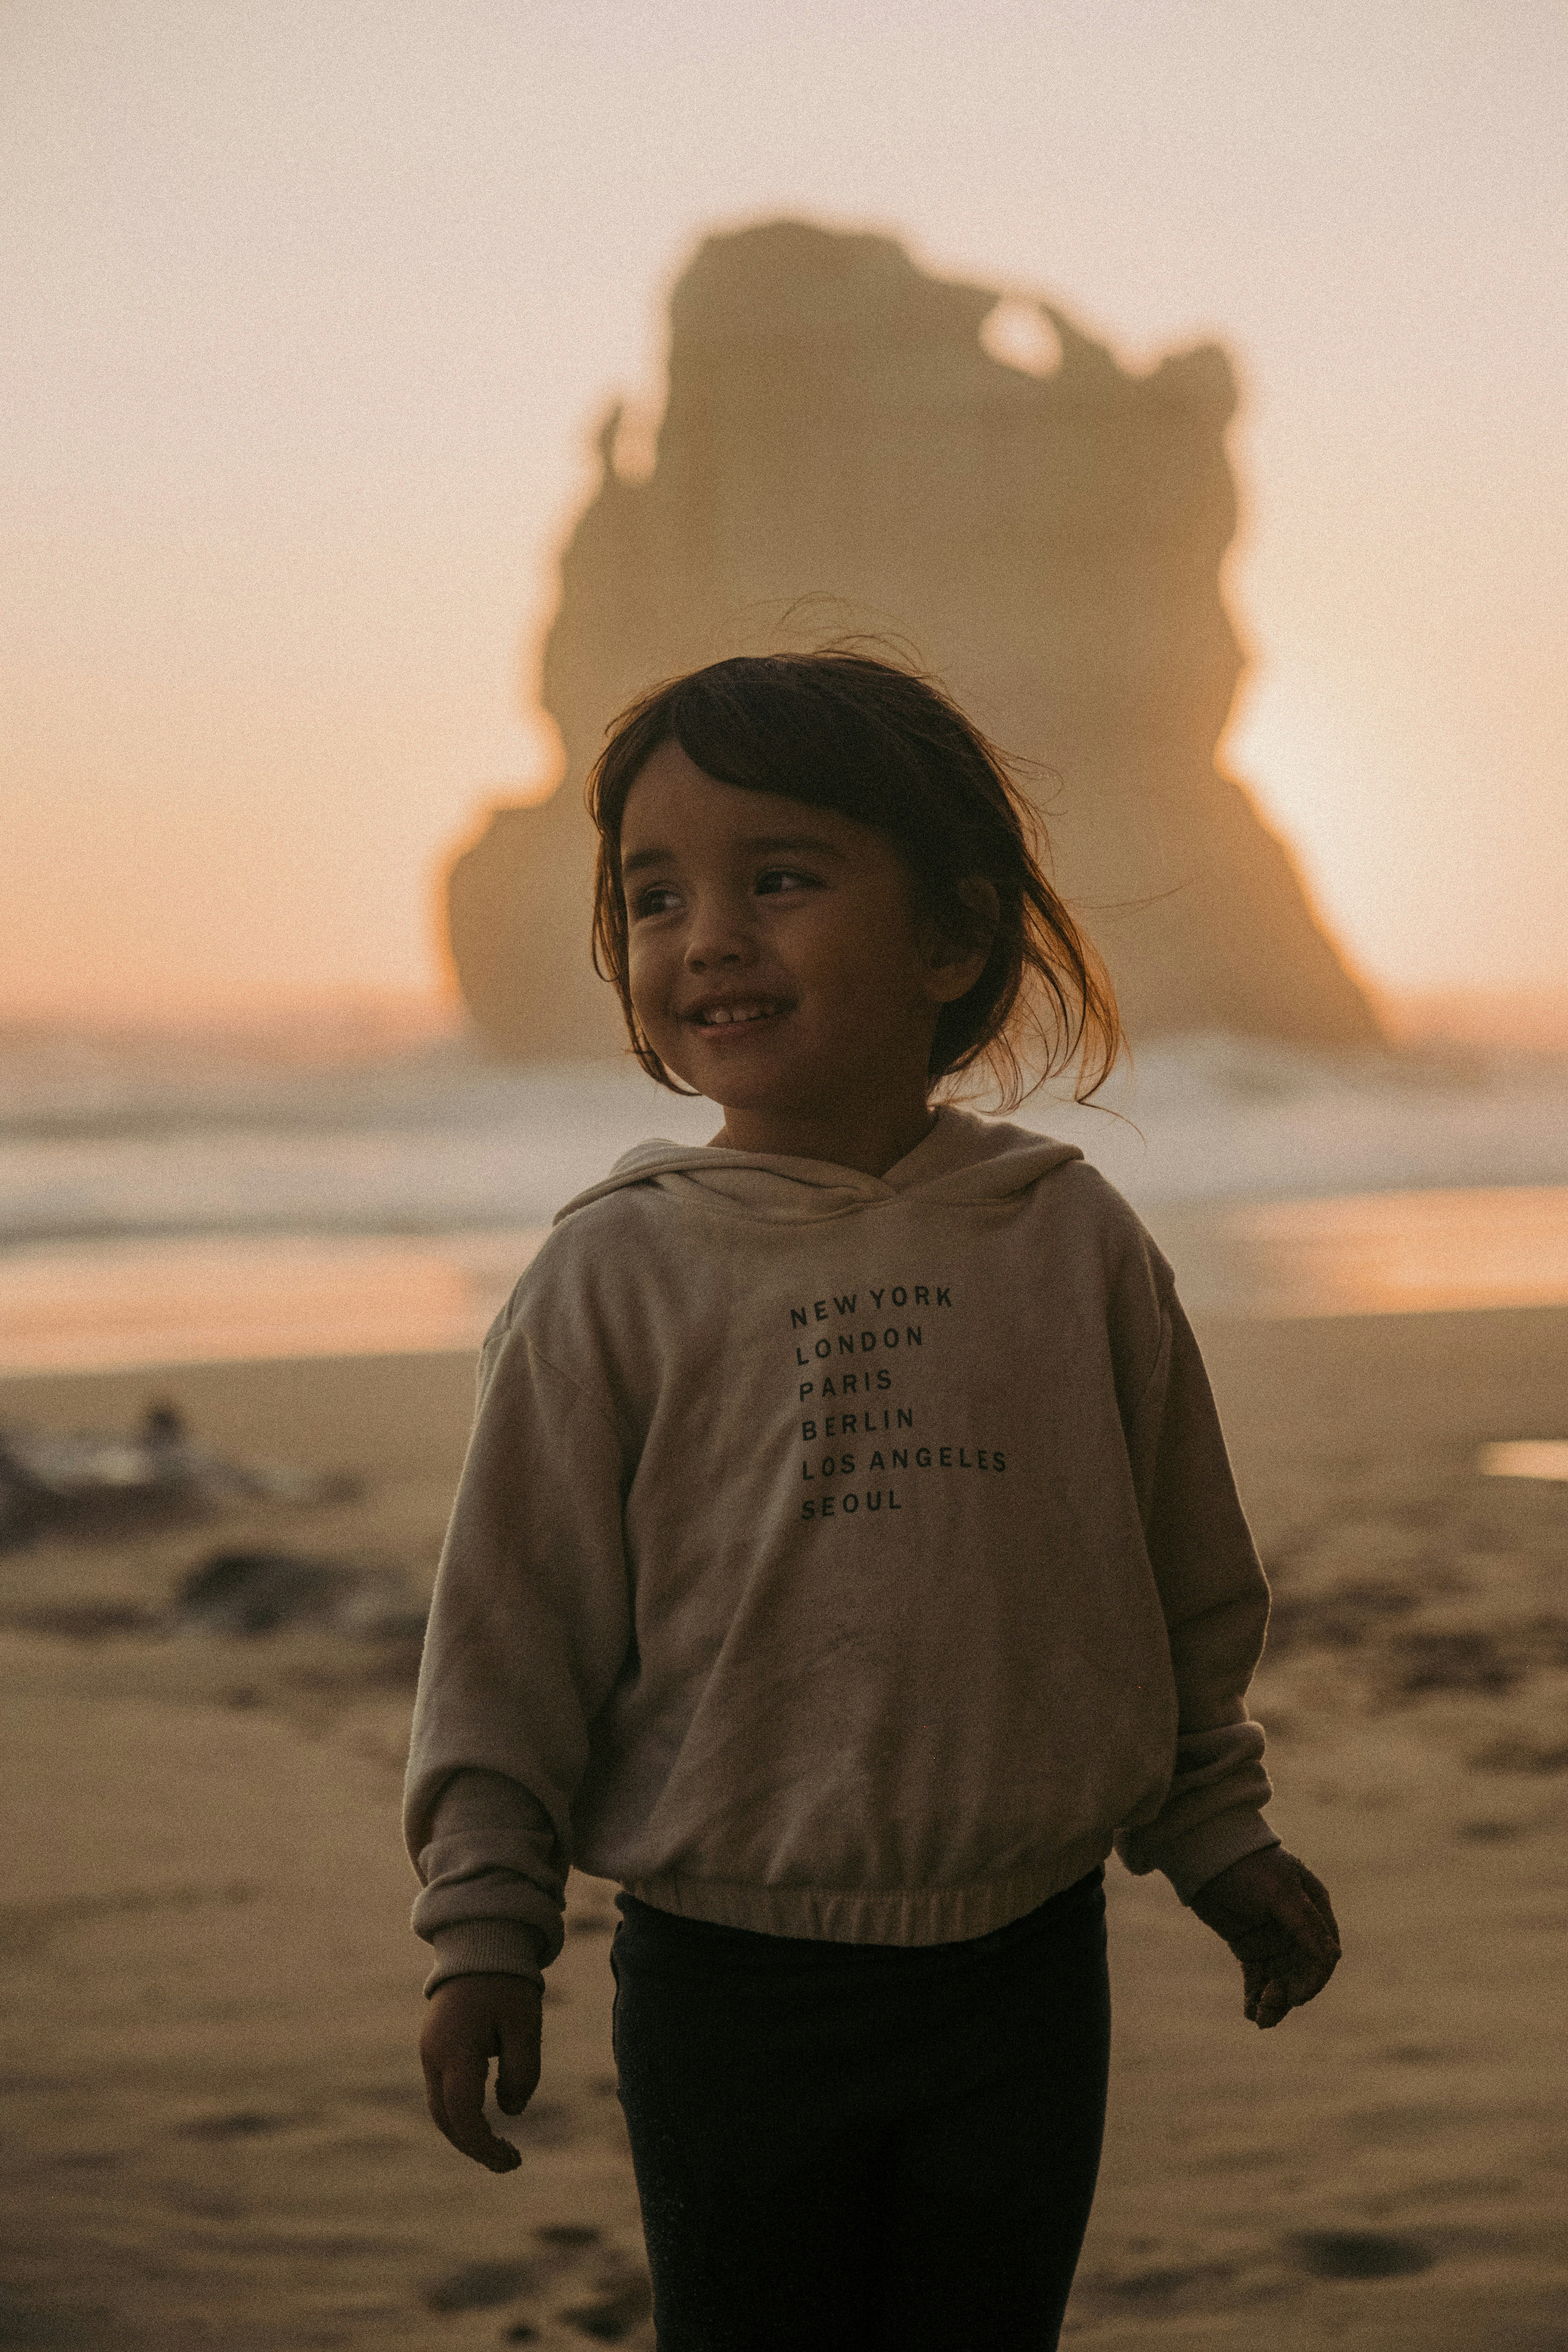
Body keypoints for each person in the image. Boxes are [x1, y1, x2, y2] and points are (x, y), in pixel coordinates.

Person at [405, 648, 1341, 2350]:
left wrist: (1214, 1830)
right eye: (654, 894)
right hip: (726, 1979)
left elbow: (1170, 1578)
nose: (708, 937)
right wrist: (485, 1922)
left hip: (1025, 1967)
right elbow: (509, 1637)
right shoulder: (612, 1276)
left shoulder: (1066, 1240)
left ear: (953, 937)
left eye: (780, 878)